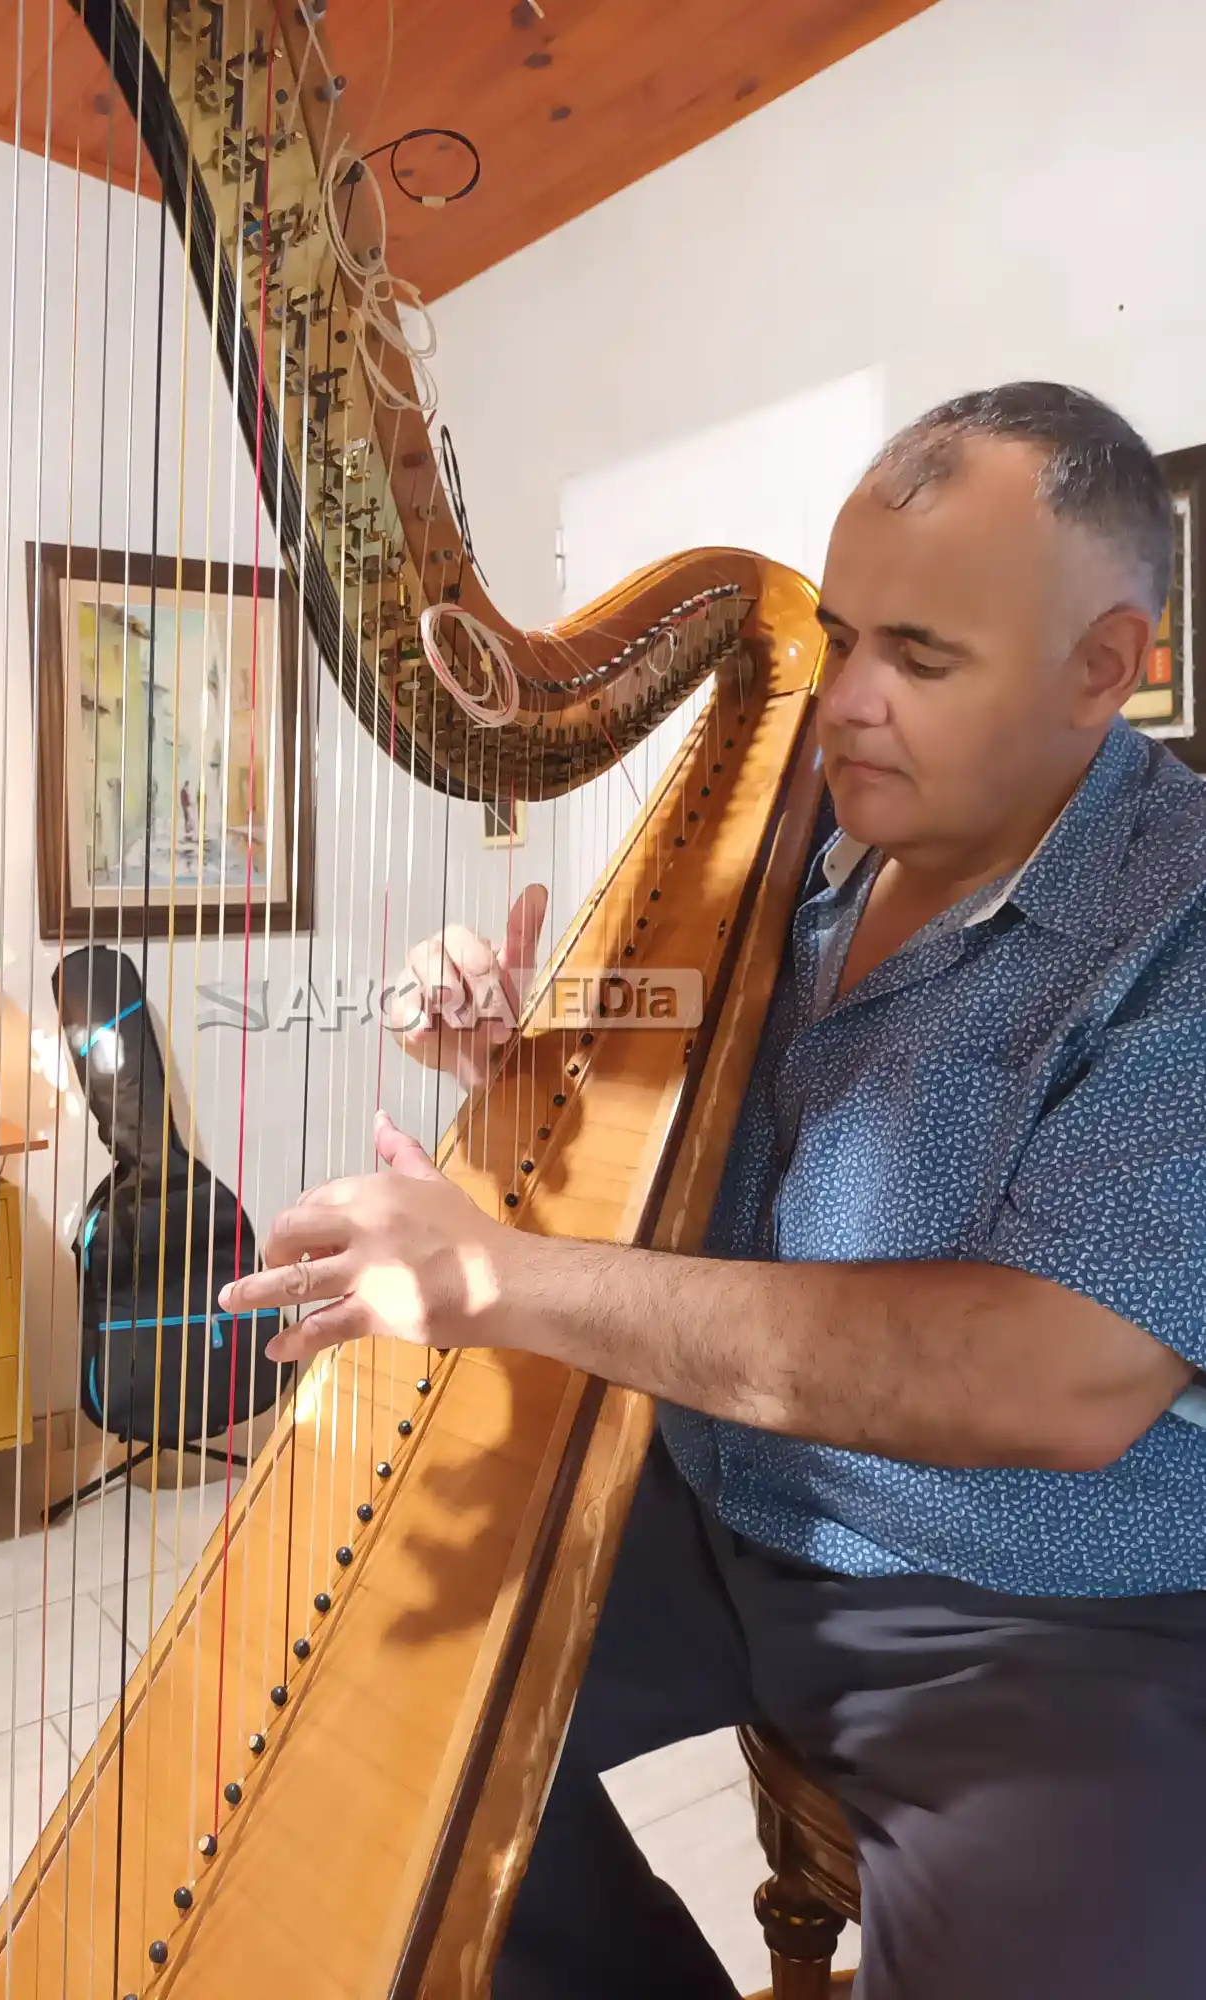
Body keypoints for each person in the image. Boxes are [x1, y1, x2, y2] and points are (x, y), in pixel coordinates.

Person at [221, 383, 1206, 1999]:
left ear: (1103, 669)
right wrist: (518, 1053)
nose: (845, 701)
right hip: (701, 1500)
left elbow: (1055, 1372)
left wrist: (502, 1282)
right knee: (322, 1727)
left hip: (1035, 1604)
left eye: (921, 657)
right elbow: (690, 1097)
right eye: (838, 633)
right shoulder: (798, 844)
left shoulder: (1182, 919)